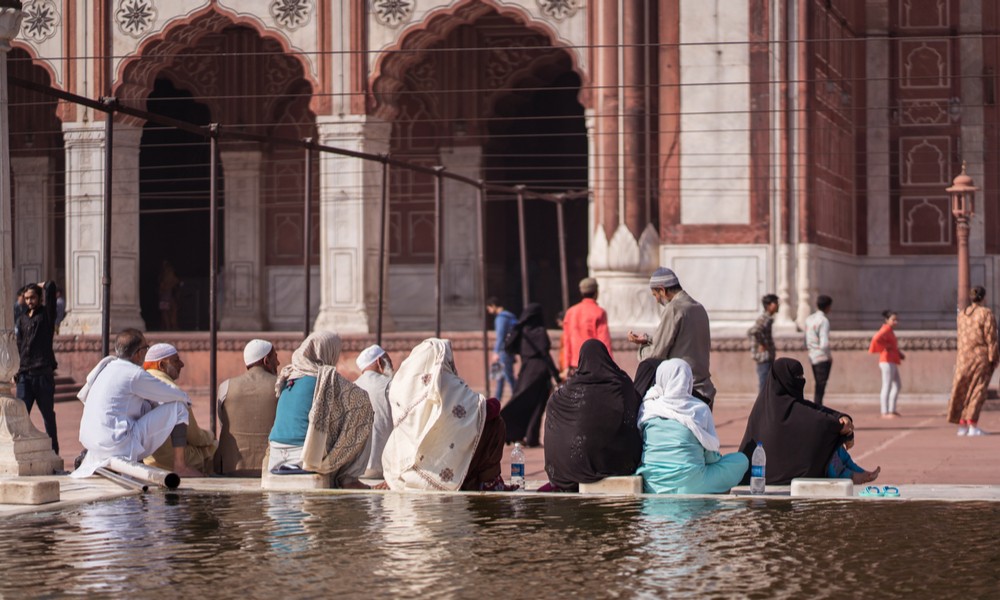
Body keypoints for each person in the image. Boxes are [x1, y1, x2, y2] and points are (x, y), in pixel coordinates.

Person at [381, 338, 510, 491]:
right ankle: (488, 482)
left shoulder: (404, 388)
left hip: (404, 470)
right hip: (446, 470)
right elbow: (487, 410)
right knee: (495, 423)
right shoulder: (447, 382)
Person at [71, 329, 194, 478]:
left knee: (146, 407)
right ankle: (180, 466)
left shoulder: (108, 368)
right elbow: (172, 394)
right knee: (179, 408)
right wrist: (186, 399)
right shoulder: (134, 374)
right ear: (138, 353)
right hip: (116, 444)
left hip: (92, 444)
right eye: (146, 348)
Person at [267, 331, 373, 489]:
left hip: (275, 453)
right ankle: (349, 479)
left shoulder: (289, 374)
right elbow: (360, 399)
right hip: (305, 456)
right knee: (363, 409)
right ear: (328, 351)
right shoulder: (325, 377)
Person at [738, 358, 861, 485]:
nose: (800, 380)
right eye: (796, 376)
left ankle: (852, 471)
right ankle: (849, 474)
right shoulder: (793, 410)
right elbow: (822, 422)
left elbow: (818, 411)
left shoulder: (767, 405)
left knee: (828, 433)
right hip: (767, 481)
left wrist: (842, 417)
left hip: (762, 478)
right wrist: (842, 428)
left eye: (801, 376)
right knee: (825, 437)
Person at [636, 359, 749, 494]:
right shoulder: (699, 409)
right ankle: (713, 488)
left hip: (654, 485)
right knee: (741, 460)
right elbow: (711, 457)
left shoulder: (648, 408)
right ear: (688, 380)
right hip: (692, 485)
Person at [543, 339, 642, 492]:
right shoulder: (621, 385)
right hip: (616, 466)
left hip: (568, 473)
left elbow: (553, 406)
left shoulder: (565, 394)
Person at [627, 267, 717, 408]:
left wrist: (642, 348)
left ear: (662, 290)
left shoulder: (674, 308)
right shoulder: (698, 307)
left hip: (684, 390)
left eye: (655, 295)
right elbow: (683, 340)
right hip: (704, 390)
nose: (657, 300)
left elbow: (656, 354)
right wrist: (648, 339)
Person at [142, 344, 217, 474]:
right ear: (161, 366)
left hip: (148, 459)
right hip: (171, 459)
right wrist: (211, 437)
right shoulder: (172, 391)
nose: (182, 364)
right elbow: (195, 437)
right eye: (176, 360)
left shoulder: (140, 384)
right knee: (215, 447)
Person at [216, 339, 280, 475]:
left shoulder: (225, 386)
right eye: (275, 357)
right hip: (271, 468)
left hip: (232, 467)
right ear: (266, 361)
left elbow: (223, 422)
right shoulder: (281, 386)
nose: (278, 363)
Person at [500, 303, 560, 447]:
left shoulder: (522, 332)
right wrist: (556, 375)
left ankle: (512, 433)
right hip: (540, 371)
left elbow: (508, 348)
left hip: (526, 371)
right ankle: (531, 438)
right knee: (538, 405)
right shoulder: (539, 332)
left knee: (520, 401)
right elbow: (545, 355)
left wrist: (518, 327)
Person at [15, 281, 59, 453]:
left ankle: (54, 452)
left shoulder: (47, 316)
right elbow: (19, 345)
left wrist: (44, 285)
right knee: (21, 417)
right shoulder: (22, 318)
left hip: (43, 374)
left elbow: (52, 289)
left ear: (40, 298)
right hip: (25, 375)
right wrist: (16, 370)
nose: (29, 301)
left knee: (48, 416)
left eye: (32, 297)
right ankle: (20, 452)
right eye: (26, 298)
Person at [948, 286, 998, 436]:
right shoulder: (986, 313)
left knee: (963, 390)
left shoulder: (962, 314)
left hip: (963, 357)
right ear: (984, 298)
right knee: (977, 390)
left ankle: (962, 425)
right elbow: (991, 338)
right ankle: (972, 425)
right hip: (979, 357)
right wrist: (994, 358)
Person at [353, 344, 394, 478]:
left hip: (356, 469)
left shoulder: (351, 387)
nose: (391, 365)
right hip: (384, 468)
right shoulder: (391, 384)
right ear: (379, 362)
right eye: (388, 360)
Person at [561, 277, 613, 376]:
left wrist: (566, 366)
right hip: (594, 364)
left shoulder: (571, 312)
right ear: (596, 292)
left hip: (575, 365)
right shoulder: (599, 312)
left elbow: (566, 341)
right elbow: (604, 341)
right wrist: (610, 366)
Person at [869, 310, 904, 418]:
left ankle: (891, 409)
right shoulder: (886, 329)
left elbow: (892, 345)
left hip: (892, 360)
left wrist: (898, 353)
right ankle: (885, 411)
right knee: (887, 385)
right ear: (887, 320)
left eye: (896, 319)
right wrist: (884, 346)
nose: (895, 322)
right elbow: (876, 338)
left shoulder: (890, 331)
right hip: (886, 360)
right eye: (893, 319)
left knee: (897, 385)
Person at [804, 294, 833, 406]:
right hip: (821, 356)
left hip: (812, 355)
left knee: (818, 384)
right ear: (827, 307)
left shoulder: (809, 319)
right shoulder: (823, 320)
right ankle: (818, 408)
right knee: (821, 386)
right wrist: (829, 357)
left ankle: (817, 407)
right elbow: (824, 343)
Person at [486, 297, 517, 398]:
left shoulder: (501, 318)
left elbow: (500, 336)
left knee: (508, 376)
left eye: (489, 308)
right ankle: (497, 400)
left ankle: (516, 396)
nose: (489, 311)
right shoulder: (510, 317)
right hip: (508, 350)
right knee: (500, 378)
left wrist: (495, 352)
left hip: (503, 351)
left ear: (494, 306)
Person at [747, 293, 778, 393]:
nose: (778, 305)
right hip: (764, 357)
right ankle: (762, 407)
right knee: (764, 384)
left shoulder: (767, 319)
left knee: (767, 384)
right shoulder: (765, 319)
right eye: (775, 303)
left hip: (767, 356)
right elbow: (753, 331)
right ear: (769, 305)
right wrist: (762, 343)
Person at [158, 260, 181, 331]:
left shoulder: (169, 277)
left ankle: (171, 326)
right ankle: (169, 327)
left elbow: (176, 283)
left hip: (167, 296)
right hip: (166, 297)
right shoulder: (164, 277)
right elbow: (162, 288)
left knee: (170, 312)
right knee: (167, 312)